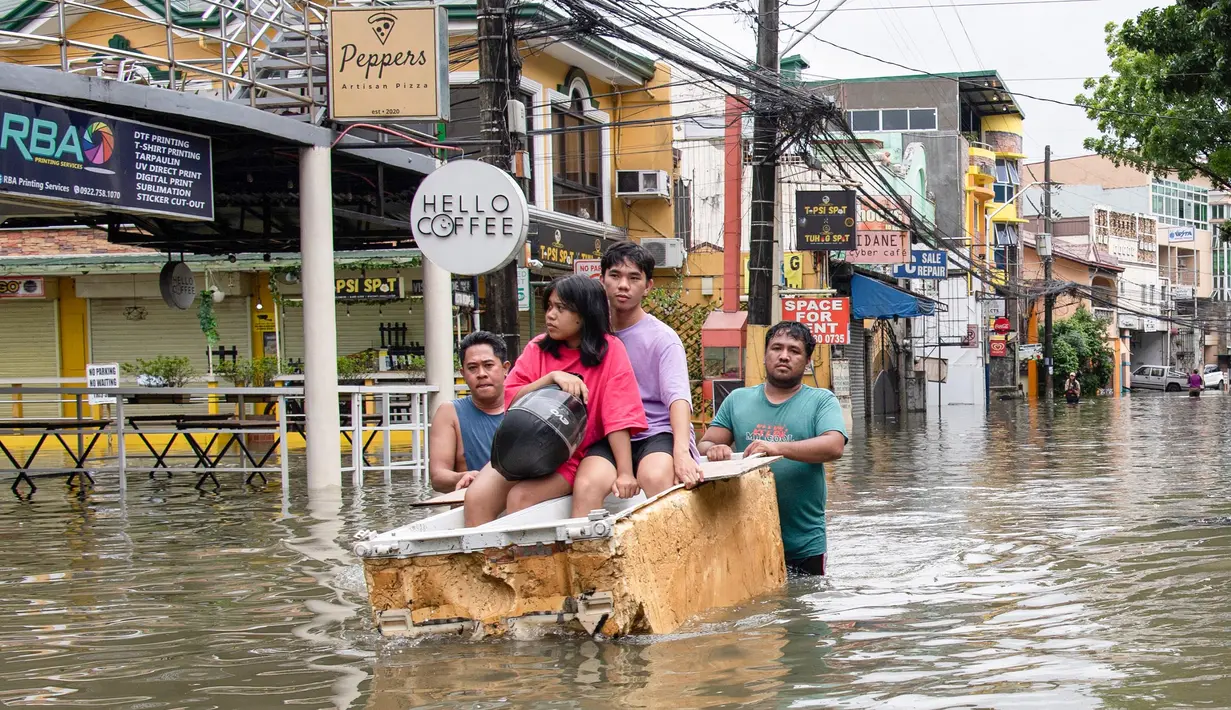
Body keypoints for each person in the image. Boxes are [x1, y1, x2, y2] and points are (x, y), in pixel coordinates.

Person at [462, 275, 647, 526]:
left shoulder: (610, 350)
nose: (550, 315)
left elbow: (619, 416)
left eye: (561, 308)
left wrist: (625, 472)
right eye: (549, 306)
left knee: (520, 498)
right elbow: (510, 400)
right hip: (529, 447)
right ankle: (488, 563)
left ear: (585, 312)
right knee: (476, 498)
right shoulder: (538, 347)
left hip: (576, 452)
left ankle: (531, 565)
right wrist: (550, 378)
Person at [698, 321, 848, 576]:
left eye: (794, 350)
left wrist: (775, 448)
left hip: (805, 543)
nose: (784, 356)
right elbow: (704, 444)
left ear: (807, 360)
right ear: (764, 354)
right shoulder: (737, 400)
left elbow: (834, 446)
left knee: (802, 612)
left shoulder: (822, 400)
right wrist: (715, 451)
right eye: (776, 348)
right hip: (746, 538)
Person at [574, 242, 703, 504]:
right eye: (615, 276)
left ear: (648, 286)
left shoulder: (663, 338)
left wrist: (681, 452)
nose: (624, 285)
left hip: (656, 432)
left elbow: (678, 398)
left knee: (655, 477)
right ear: (602, 280)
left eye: (634, 278)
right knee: (587, 483)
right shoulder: (588, 337)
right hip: (608, 435)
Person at [427, 331, 509, 493]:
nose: (481, 374)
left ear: (505, 368)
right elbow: (438, 477)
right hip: (468, 505)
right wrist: (463, 477)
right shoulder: (449, 413)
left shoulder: (524, 407)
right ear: (463, 373)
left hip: (518, 508)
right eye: (472, 368)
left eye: (488, 365)